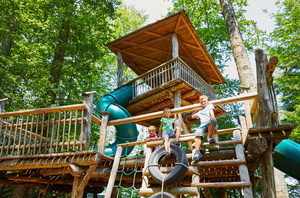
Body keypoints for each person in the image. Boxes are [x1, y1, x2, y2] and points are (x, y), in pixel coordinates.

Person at [191, 95, 217, 161]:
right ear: (200, 103)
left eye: (204, 101)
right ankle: (197, 152)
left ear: (207, 101)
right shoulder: (200, 111)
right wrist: (195, 110)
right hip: (202, 125)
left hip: (209, 123)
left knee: (212, 120)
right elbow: (192, 117)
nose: (203, 103)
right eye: (201, 102)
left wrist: (213, 116)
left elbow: (211, 111)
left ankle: (210, 137)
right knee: (197, 133)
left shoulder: (209, 106)